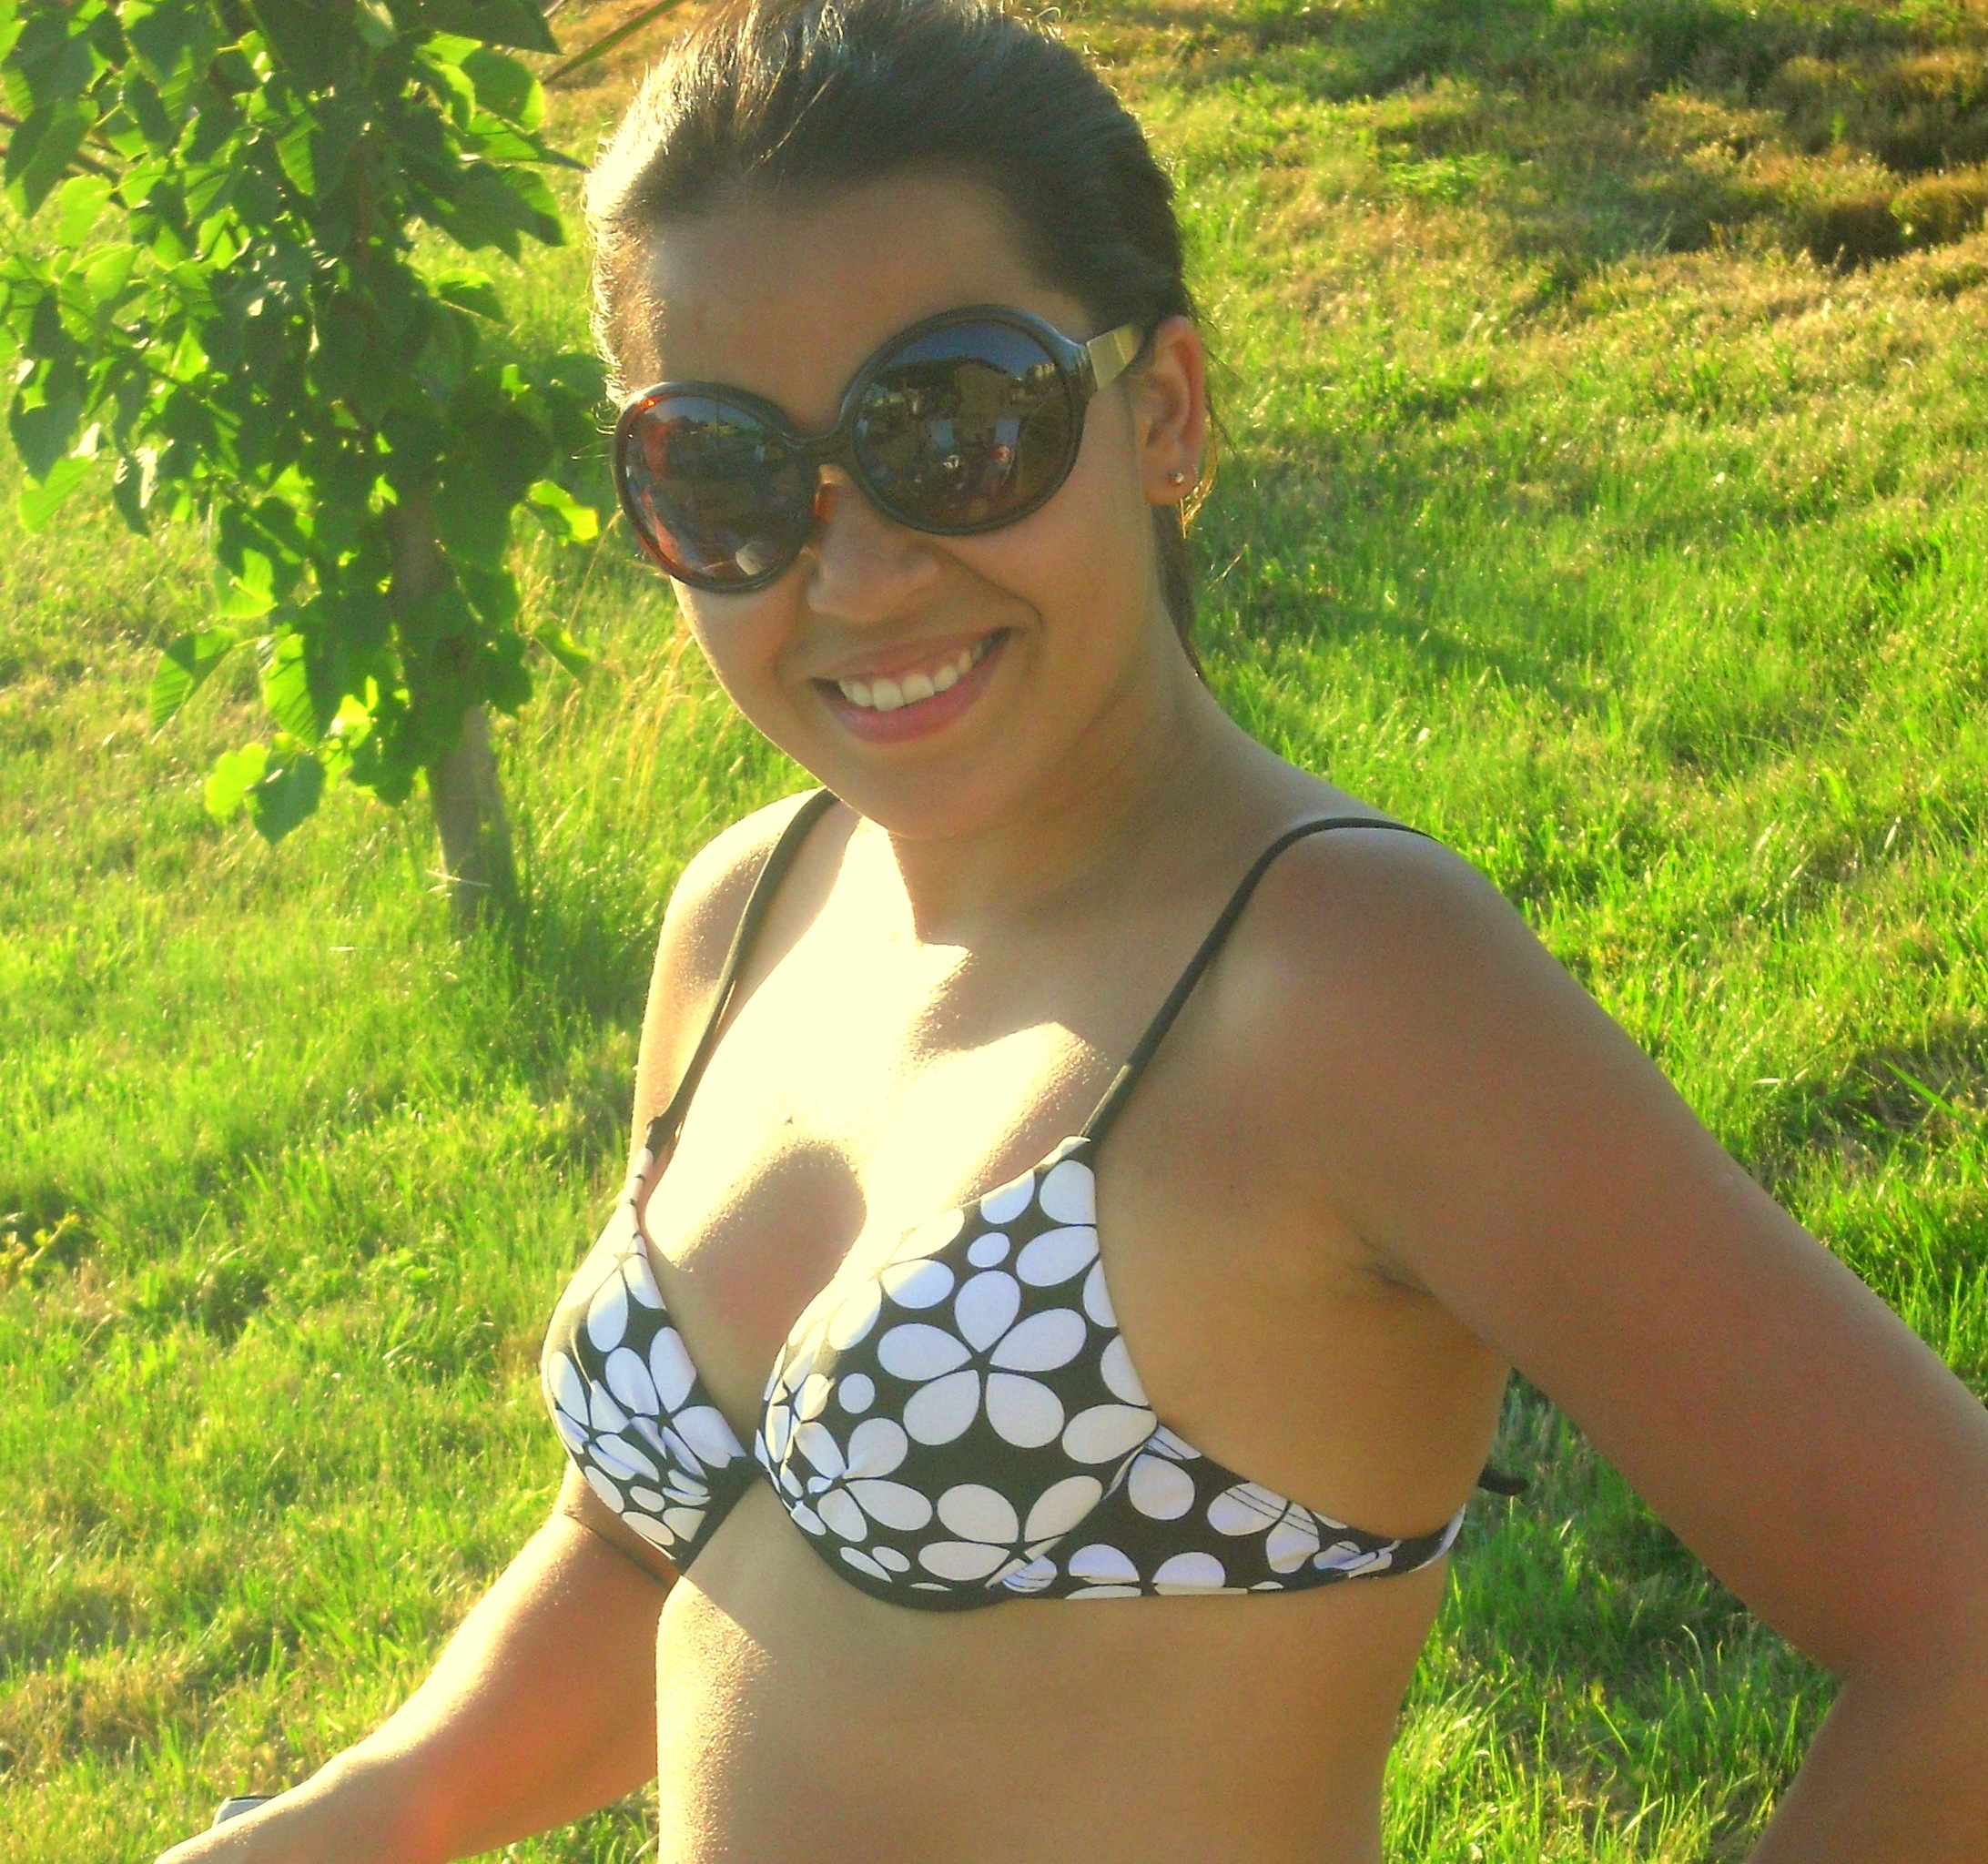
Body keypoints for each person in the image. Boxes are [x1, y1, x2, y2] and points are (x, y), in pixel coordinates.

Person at [159, 2, 1988, 1859]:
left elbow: (1963, 1626)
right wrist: (351, 1817)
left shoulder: (1341, 978)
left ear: (1164, 412)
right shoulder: (750, 906)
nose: (857, 573)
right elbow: (658, 1539)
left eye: (958, 429)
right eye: (726, 470)